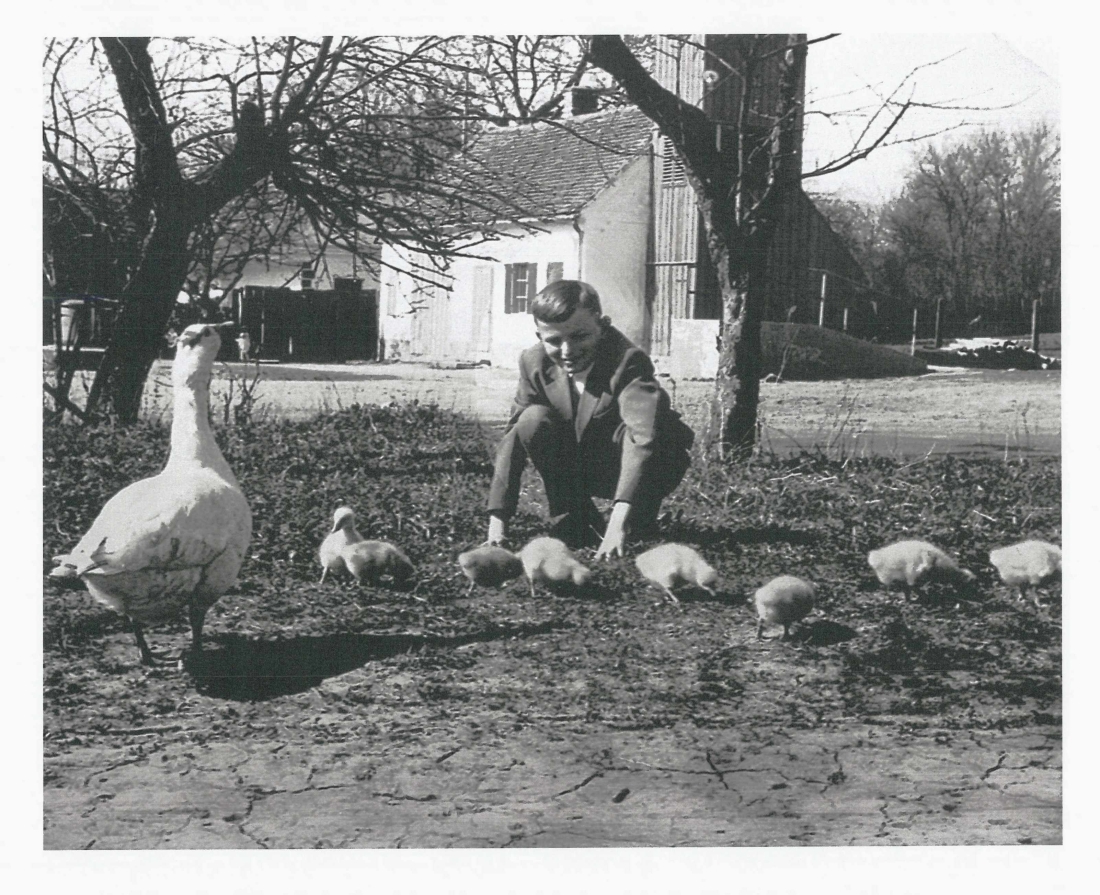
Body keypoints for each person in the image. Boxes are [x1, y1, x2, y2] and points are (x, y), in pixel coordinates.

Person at [486, 279, 694, 559]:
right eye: (554, 341)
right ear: (539, 336)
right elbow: (514, 437)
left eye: (580, 336)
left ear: (602, 324)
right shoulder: (533, 363)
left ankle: (637, 516)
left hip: (644, 464)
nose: (568, 351)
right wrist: (497, 525)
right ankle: (575, 516)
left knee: (653, 440)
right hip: (583, 461)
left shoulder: (628, 360)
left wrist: (618, 525)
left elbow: (644, 438)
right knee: (531, 419)